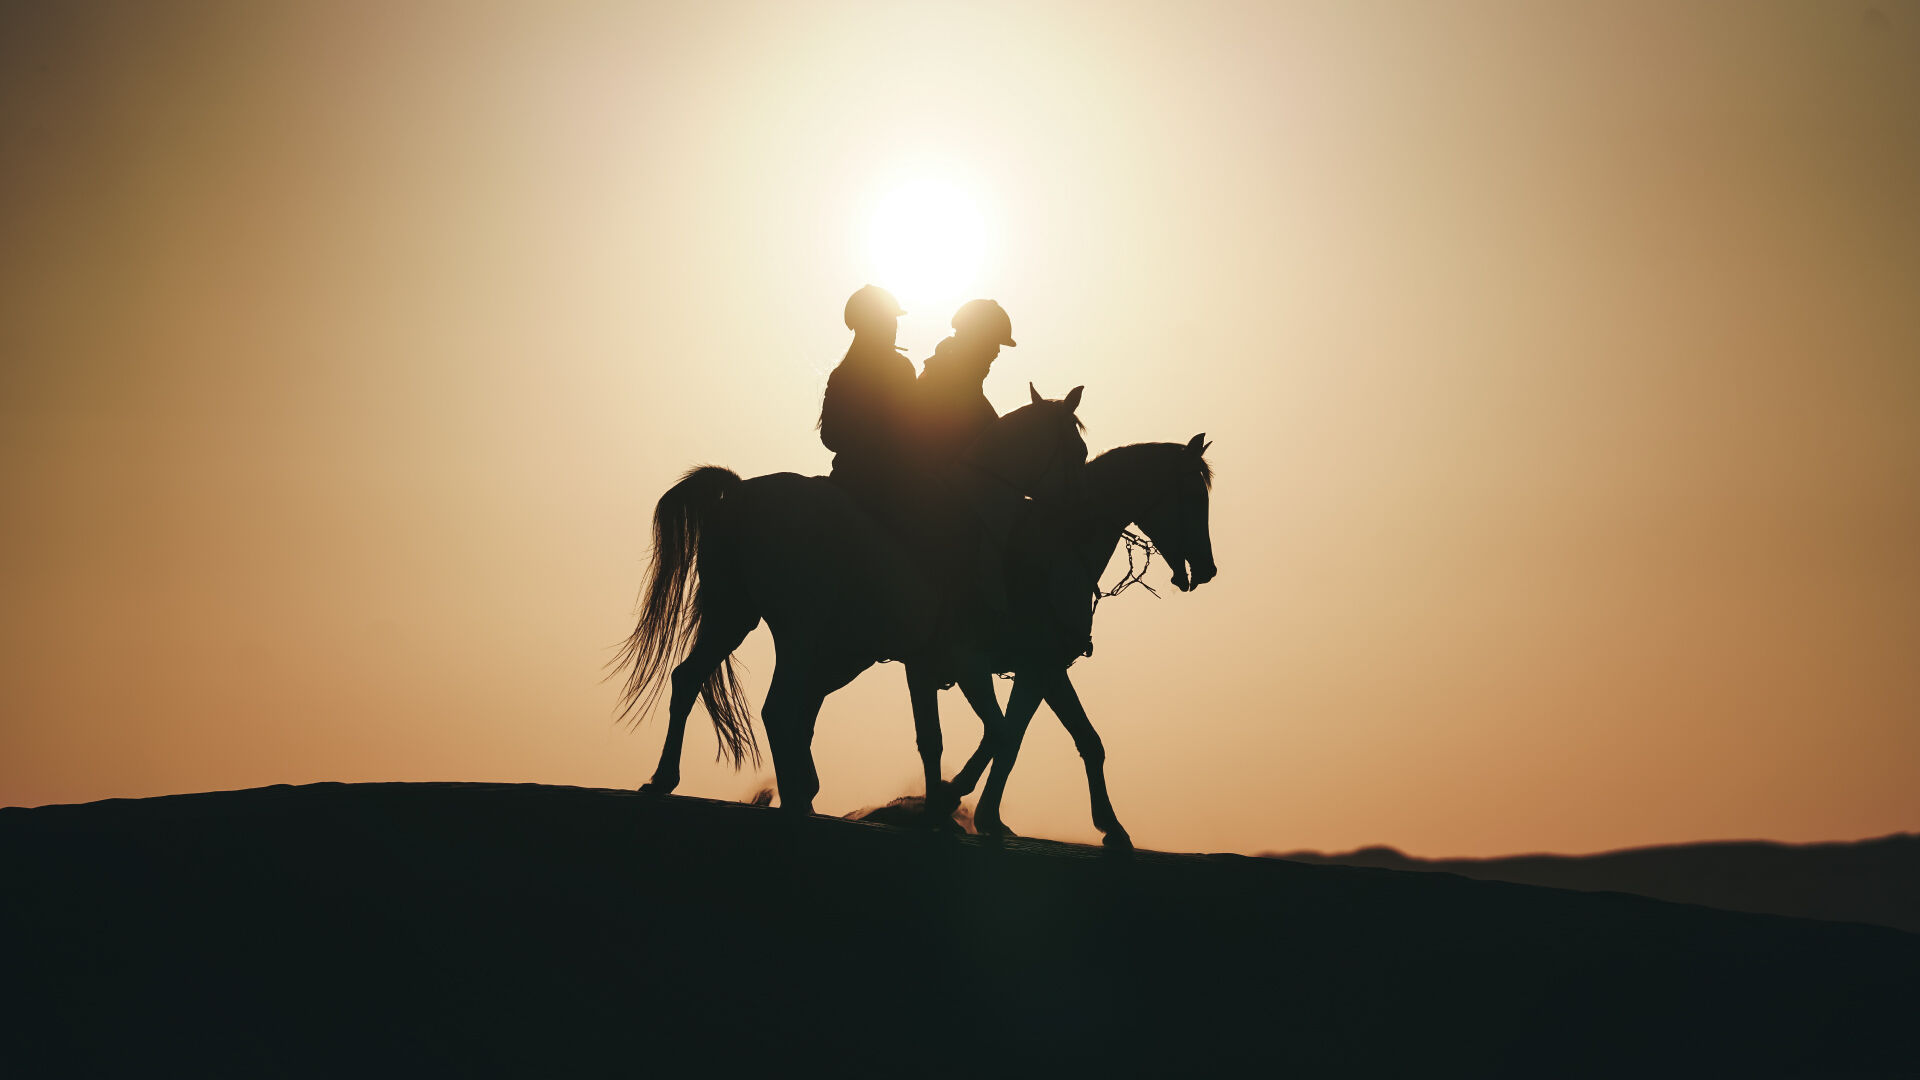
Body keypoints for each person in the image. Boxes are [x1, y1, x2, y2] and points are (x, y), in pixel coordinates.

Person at [818, 285, 915, 506]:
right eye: (889, 321)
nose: (894, 327)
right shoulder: (901, 369)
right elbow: (912, 430)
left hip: (845, 480)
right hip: (887, 488)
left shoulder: (841, 374)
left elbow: (829, 437)